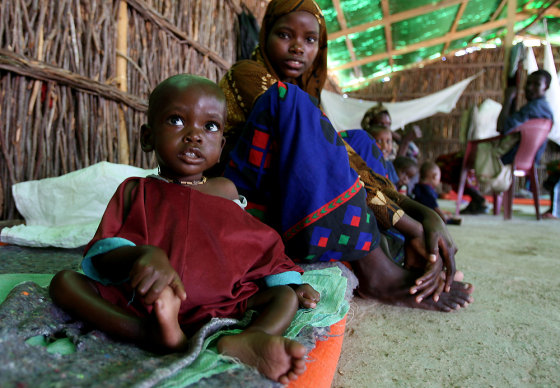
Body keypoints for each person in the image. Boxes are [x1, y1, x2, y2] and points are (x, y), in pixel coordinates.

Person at [49, 74, 321, 385]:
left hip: (225, 300)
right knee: (65, 282)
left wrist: (288, 280)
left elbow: (257, 243)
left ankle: (250, 339)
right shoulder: (137, 190)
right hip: (150, 299)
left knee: (283, 298)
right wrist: (141, 256)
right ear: (148, 137)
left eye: (210, 126)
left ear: (221, 146)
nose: (194, 135)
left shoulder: (225, 191)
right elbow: (104, 253)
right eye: (177, 120)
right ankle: (148, 332)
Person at [219, 0, 473, 312]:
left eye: (310, 40)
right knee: (293, 103)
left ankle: (398, 248)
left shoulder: (307, 96)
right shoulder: (249, 74)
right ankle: (375, 271)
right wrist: (411, 220)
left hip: (287, 193)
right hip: (246, 193)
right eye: (285, 35)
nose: (298, 48)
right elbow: (327, 154)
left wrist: (425, 214)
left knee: (360, 141)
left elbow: (345, 154)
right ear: (265, 35)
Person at [475, 70, 554, 193]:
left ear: (546, 87)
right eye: (528, 83)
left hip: (512, 156)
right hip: (532, 158)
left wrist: (507, 99)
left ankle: (479, 193)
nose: (529, 88)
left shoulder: (533, 108)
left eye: (536, 84)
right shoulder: (547, 111)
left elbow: (501, 127)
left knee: (473, 151)